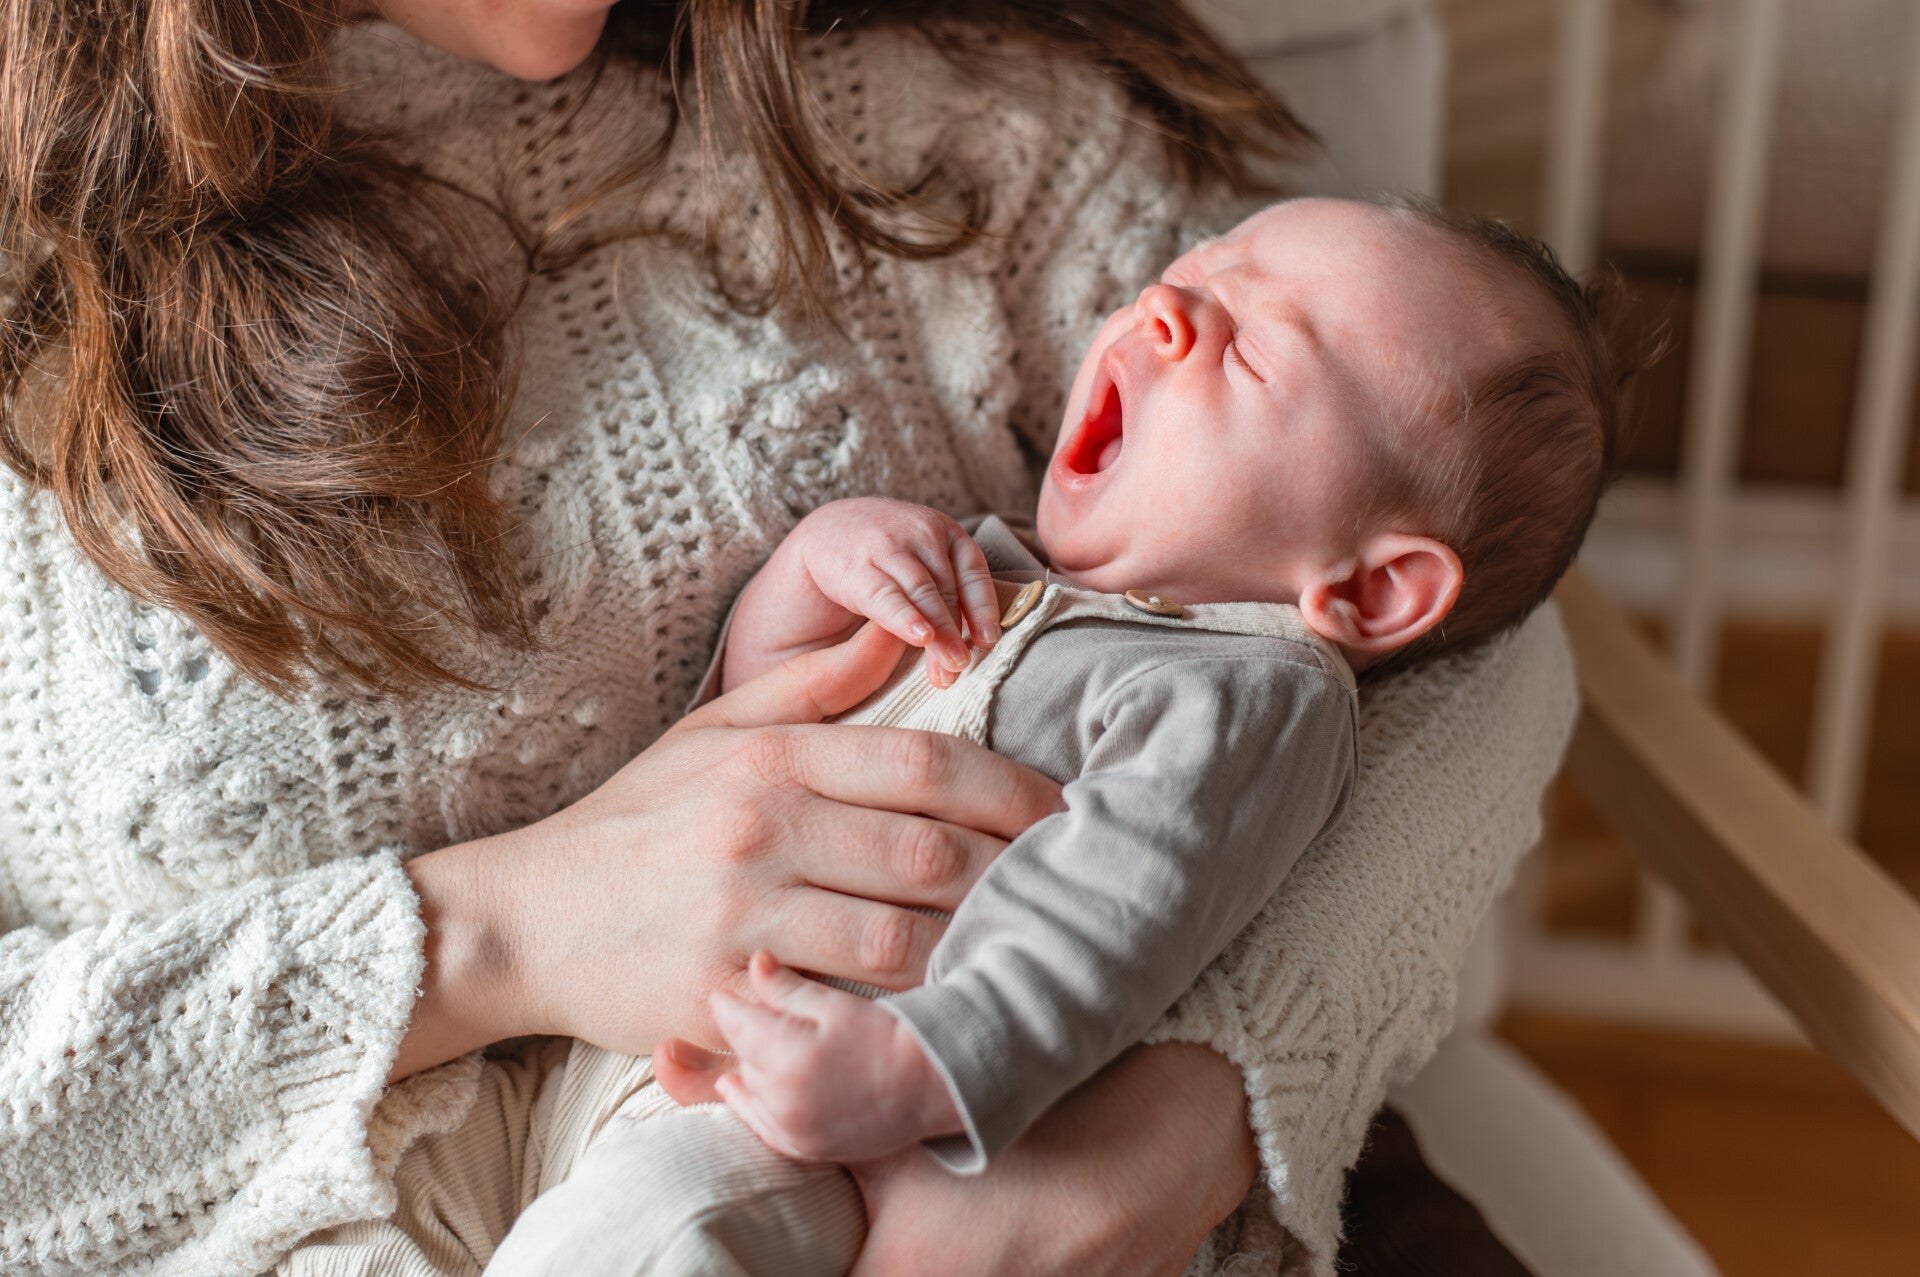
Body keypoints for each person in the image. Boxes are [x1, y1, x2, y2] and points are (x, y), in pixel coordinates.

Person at [0, 4, 1583, 1276]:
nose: (1171, 312)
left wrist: (1183, 1116)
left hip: (1040, 1125)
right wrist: (496, 937)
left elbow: (1468, 634)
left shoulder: (966, 97)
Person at [436, 195, 1615, 1274]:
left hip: (840, 1151)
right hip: (609, 1070)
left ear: (1365, 594)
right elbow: (762, 740)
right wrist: (805, 583)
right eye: (1198, 272)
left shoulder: (1250, 696)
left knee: (651, 1229)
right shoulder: (1000, 571)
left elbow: (1107, 915)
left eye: (1254, 350)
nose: (1167, 310)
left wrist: (915, 1066)